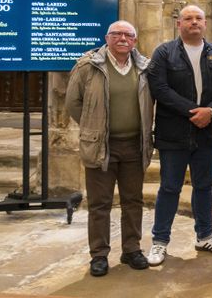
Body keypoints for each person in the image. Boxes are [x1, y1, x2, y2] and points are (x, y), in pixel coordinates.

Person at [65, 20, 154, 277]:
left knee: (133, 201)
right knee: (100, 203)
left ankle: (131, 249)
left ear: (134, 41)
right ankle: (99, 254)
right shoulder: (88, 66)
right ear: (107, 38)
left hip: (134, 146)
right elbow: (73, 103)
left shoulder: (144, 67)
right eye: (117, 34)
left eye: (128, 35)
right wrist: (95, 127)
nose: (122, 38)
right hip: (101, 146)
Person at [146, 5, 212, 266]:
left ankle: (205, 235)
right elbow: (158, 88)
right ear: (178, 24)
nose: (194, 22)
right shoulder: (164, 52)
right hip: (174, 134)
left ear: (205, 23)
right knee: (170, 187)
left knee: (204, 187)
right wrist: (194, 111)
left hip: (207, 135)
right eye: (188, 18)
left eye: (199, 18)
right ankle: (160, 241)